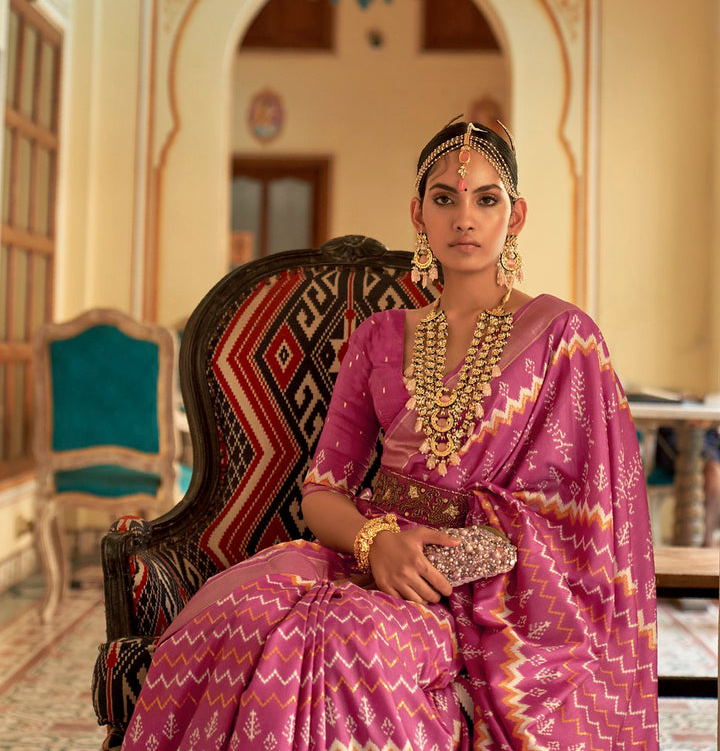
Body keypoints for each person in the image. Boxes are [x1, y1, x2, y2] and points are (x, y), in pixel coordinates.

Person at [122, 120, 659, 751]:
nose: (465, 217)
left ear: (515, 216)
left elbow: (588, 523)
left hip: (477, 591)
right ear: (418, 213)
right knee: (232, 614)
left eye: (487, 199)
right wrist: (377, 543)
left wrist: (449, 559)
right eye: (444, 197)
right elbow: (322, 492)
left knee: (345, 645)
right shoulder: (380, 335)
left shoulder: (564, 336)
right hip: (363, 550)